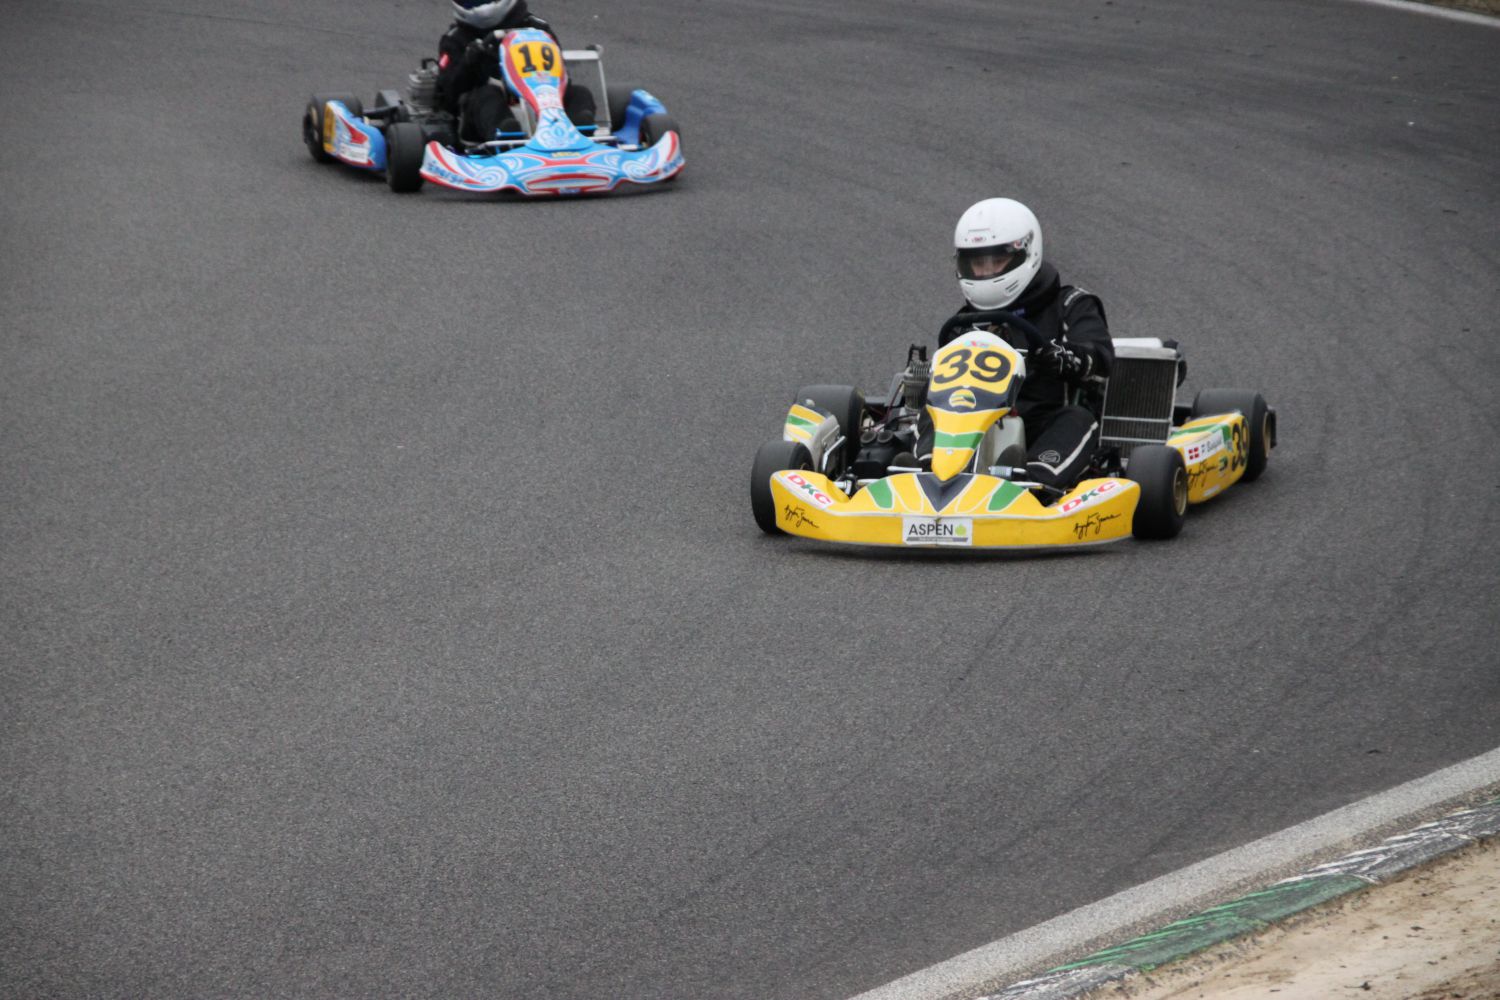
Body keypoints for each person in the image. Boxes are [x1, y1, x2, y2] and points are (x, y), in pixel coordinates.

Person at [940, 197, 1114, 498]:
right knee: (927, 412)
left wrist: (1064, 356)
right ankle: (927, 472)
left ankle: (1031, 485)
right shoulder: (963, 324)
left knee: (1078, 419)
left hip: (1044, 425)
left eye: (996, 261)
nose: (985, 272)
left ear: (1026, 253)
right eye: (978, 263)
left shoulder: (1070, 305)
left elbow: (1100, 358)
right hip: (970, 425)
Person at [434, 0, 595, 143]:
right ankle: (507, 140)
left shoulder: (537, 28)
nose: (482, 3)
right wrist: (469, 62)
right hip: (484, 120)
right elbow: (448, 98)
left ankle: (580, 136)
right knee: (487, 95)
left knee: (580, 93)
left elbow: (561, 75)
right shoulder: (455, 39)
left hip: (543, 98)